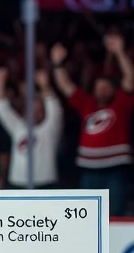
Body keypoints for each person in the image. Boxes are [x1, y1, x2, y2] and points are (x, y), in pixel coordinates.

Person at [52, 35, 134, 214]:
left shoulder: (121, 103)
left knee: (115, 215)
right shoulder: (87, 104)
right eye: (98, 87)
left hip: (116, 169)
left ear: (114, 90)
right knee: (89, 216)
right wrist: (57, 63)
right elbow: (65, 86)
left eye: (106, 87)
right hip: (89, 169)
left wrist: (120, 52)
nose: (102, 90)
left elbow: (130, 78)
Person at [0, 66, 61, 189]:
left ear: (43, 112)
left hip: (45, 184)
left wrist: (44, 85)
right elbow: (1, 108)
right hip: (18, 184)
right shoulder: (18, 127)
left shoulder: (50, 128)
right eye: (30, 110)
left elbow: (54, 106)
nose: (33, 113)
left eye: (37, 110)